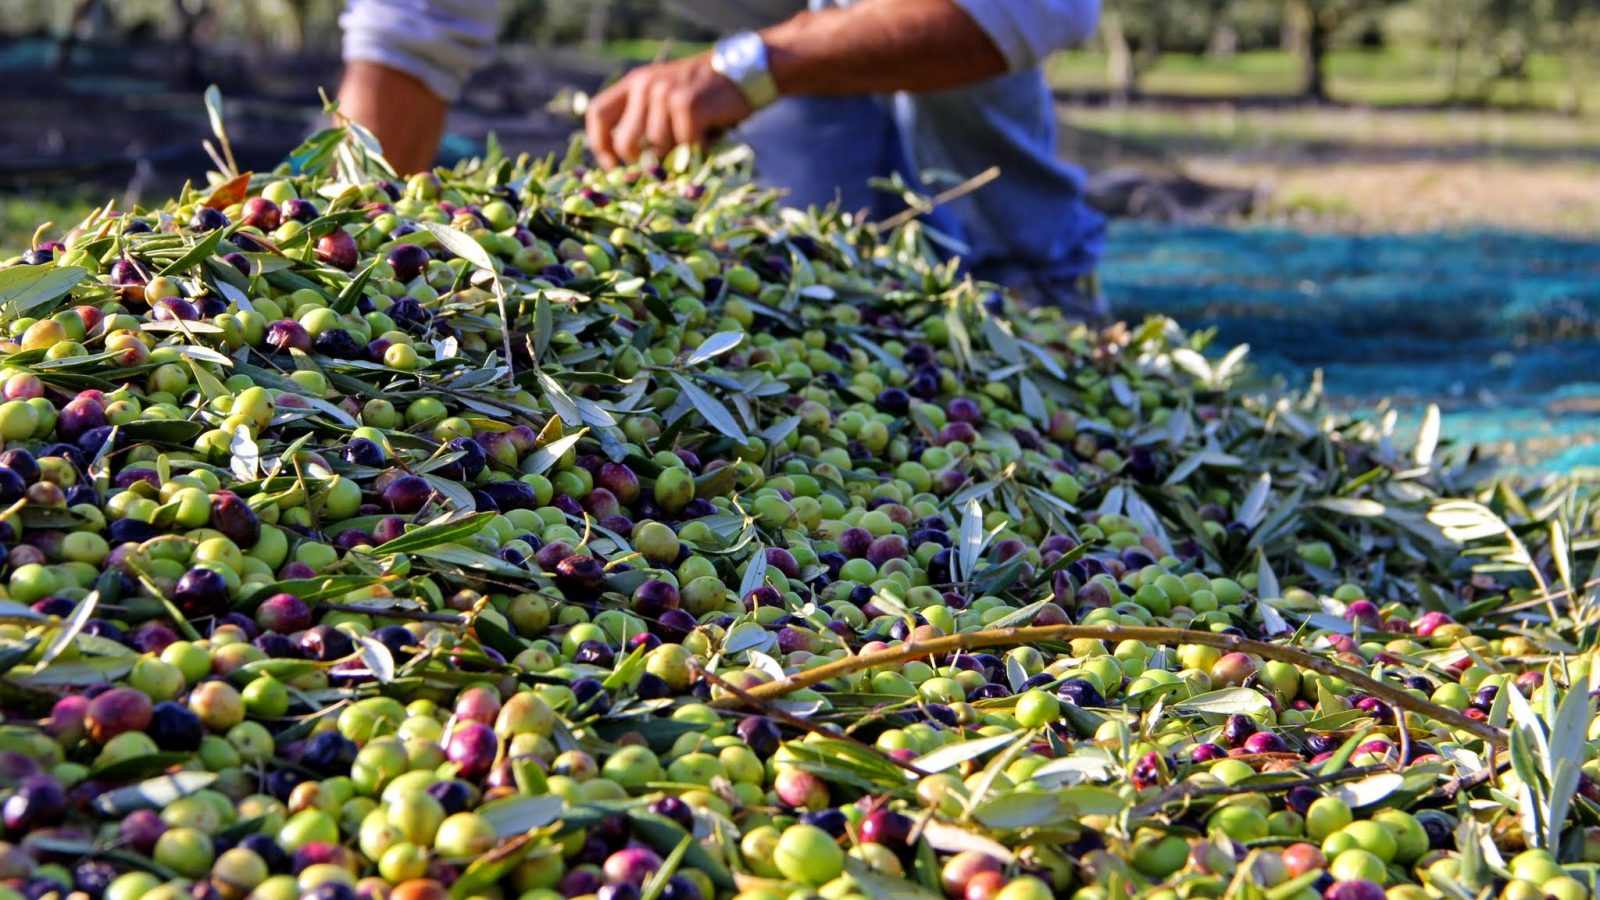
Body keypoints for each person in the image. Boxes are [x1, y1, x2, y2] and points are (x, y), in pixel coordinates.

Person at [337, 0, 1109, 319]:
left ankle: (1034, 296)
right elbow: (408, 36)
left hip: (971, 157)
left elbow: (1035, 8)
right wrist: (350, 250)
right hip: (789, 90)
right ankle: (822, 293)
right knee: (814, 304)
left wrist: (743, 69)